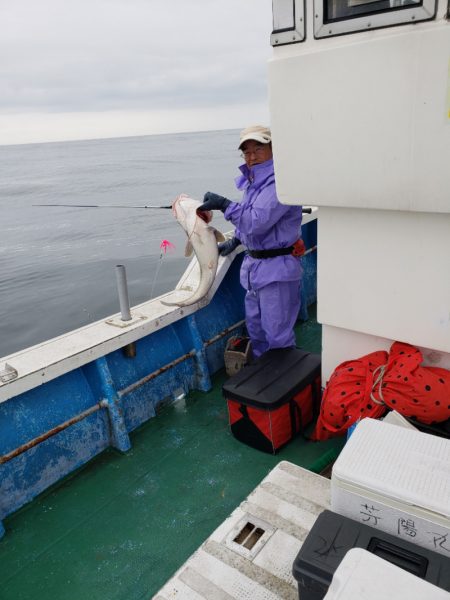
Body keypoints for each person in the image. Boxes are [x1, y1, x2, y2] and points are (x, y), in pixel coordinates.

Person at [197, 125, 303, 359]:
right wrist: (236, 240)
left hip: (277, 272)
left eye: (258, 148)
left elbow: (256, 222)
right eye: (246, 151)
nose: (252, 156)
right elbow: (249, 223)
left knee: (278, 336)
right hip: (255, 271)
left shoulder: (280, 183)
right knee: (257, 331)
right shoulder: (254, 182)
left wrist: (225, 205)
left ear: (275, 148)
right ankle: (264, 377)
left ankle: (283, 385)